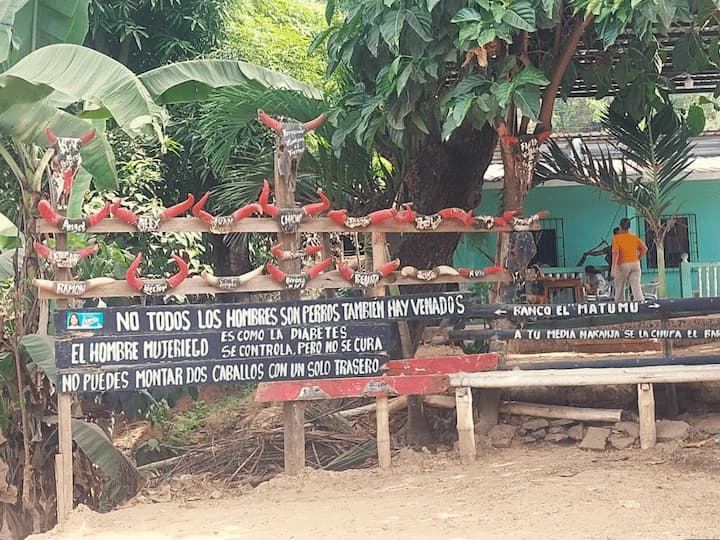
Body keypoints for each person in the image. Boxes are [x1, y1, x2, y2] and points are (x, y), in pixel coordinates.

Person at [612, 217, 648, 302]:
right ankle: (640, 306)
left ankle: (620, 308)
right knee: (636, 287)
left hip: (622, 264)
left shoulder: (616, 238)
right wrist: (638, 259)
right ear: (629, 227)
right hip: (635, 264)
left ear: (620, 227)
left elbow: (615, 253)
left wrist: (613, 268)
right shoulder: (634, 237)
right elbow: (644, 249)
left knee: (620, 288)